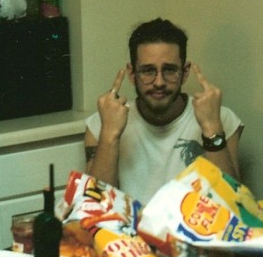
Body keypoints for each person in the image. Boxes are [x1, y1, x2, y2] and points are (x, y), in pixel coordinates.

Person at [84, 18, 243, 204]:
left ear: (184, 73)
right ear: (132, 74)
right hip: (129, 231)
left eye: (169, 70)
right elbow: (95, 207)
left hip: (195, 229)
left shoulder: (220, 118)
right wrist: (109, 134)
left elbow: (234, 207)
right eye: (148, 71)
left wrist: (211, 127)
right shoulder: (101, 124)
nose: (159, 82)